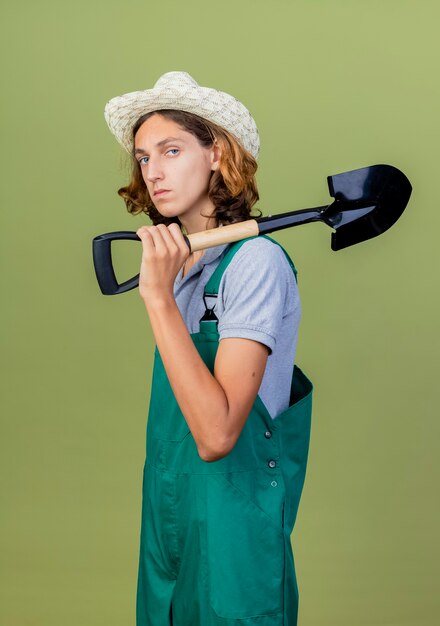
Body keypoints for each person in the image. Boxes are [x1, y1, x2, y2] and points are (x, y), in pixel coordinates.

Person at [104, 71, 313, 626]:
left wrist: (157, 299)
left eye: (171, 150)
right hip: (171, 514)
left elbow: (218, 435)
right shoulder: (183, 270)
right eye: (145, 157)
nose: (153, 171)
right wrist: (165, 288)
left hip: (232, 524)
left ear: (216, 152)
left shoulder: (256, 265)